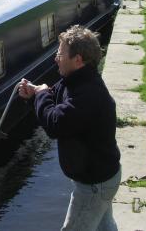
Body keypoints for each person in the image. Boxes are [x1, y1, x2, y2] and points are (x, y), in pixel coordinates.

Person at [18, 25, 121, 231]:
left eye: (60, 54)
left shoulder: (88, 94)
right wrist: (35, 96)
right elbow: (53, 103)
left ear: (78, 59)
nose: (56, 58)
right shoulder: (74, 80)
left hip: (94, 184)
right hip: (101, 176)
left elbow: (56, 124)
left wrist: (40, 95)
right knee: (104, 226)